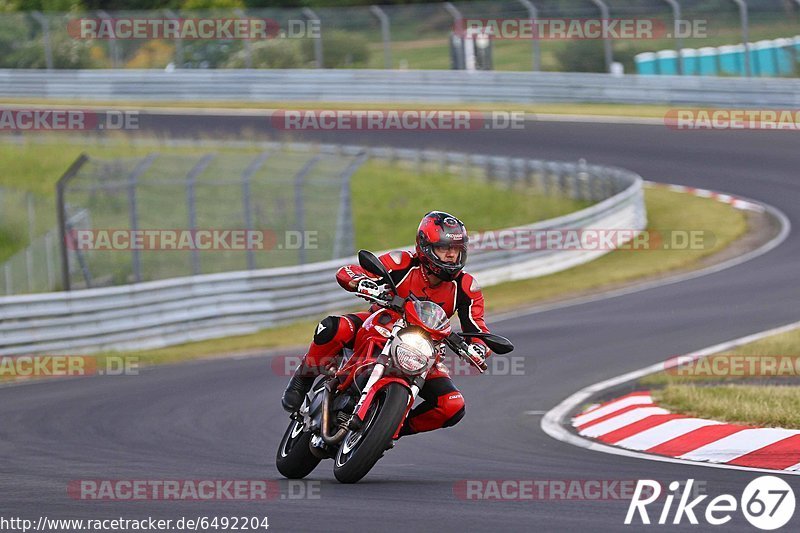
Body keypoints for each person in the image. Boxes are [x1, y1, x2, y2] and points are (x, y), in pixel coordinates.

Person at [281, 211, 491, 437]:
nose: (451, 255)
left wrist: (479, 347)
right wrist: (362, 282)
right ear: (425, 247)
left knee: (452, 405)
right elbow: (349, 271)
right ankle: (301, 382)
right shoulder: (403, 262)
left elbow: (477, 328)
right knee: (332, 327)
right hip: (380, 325)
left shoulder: (466, 286)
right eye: (444, 248)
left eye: (456, 249)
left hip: (425, 350)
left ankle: (391, 427)